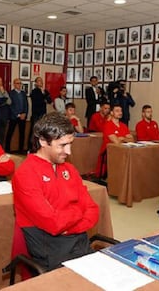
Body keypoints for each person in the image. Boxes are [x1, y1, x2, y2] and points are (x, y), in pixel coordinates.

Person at [12, 112, 99, 271]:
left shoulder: (69, 169)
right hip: (52, 253)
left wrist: (69, 226)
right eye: (62, 145)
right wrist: (78, 211)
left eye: (70, 144)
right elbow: (53, 223)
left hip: (81, 243)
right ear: (43, 141)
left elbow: (93, 210)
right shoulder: (26, 174)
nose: (69, 151)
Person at [96, 104, 134, 177]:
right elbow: (116, 142)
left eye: (121, 111)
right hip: (109, 152)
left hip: (123, 150)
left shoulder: (123, 125)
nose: (120, 113)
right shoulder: (108, 125)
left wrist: (121, 138)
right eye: (117, 111)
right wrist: (124, 139)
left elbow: (132, 140)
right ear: (112, 113)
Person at [28, 77, 52, 150]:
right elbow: (37, 102)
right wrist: (43, 97)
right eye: (39, 81)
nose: (41, 82)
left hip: (43, 114)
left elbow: (49, 101)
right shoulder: (34, 91)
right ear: (36, 83)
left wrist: (44, 94)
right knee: (34, 131)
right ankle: (31, 147)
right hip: (36, 114)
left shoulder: (45, 91)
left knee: (42, 131)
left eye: (41, 81)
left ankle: (40, 147)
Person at [5, 78, 28, 153]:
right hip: (14, 117)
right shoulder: (11, 93)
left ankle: (21, 150)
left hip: (23, 117)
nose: (19, 85)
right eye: (17, 83)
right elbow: (10, 106)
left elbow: (26, 104)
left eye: (20, 83)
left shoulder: (23, 93)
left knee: (22, 134)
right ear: (14, 84)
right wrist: (17, 114)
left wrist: (25, 113)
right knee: (10, 133)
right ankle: (7, 149)